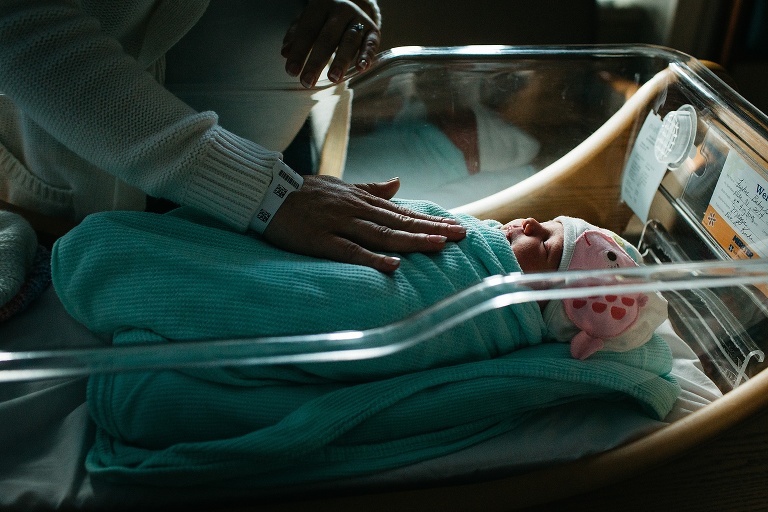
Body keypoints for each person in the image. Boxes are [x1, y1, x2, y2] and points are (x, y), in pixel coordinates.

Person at [50, 200, 678, 488]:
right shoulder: (478, 241)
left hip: (400, 299)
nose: (527, 223)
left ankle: (128, 279)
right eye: (550, 220)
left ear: (536, 311)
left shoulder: (484, 321)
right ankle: (136, 272)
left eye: (542, 247)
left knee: (335, 299)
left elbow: (374, 315)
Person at [0, 0, 466, 274]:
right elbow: (24, 28)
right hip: (113, 176)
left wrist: (353, 9)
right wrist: (262, 192)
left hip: (289, 163)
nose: (529, 225)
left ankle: (457, 144)